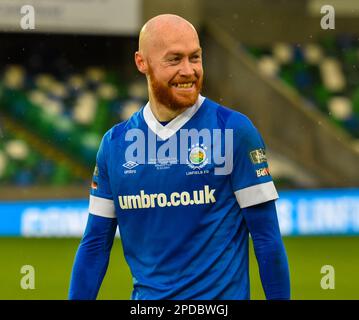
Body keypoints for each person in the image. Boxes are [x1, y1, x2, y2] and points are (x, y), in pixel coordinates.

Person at [69, 14, 290, 300]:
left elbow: (266, 238)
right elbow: (95, 244)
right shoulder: (115, 144)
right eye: (174, 60)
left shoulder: (232, 131)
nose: (189, 70)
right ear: (142, 62)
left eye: (194, 58)